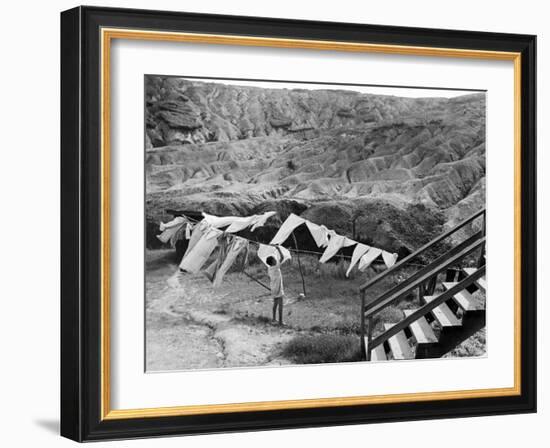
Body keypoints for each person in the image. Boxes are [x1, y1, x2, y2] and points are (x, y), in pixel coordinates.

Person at [266, 255, 284, 324]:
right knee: (280, 305)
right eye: (274, 259)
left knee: (275, 304)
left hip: (273, 288)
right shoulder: (276, 267)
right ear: (273, 262)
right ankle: (280, 321)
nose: (276, 260)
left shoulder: (269, 269)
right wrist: (278, 249)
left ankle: (274, 318)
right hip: (278, 288)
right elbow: (282, 257)